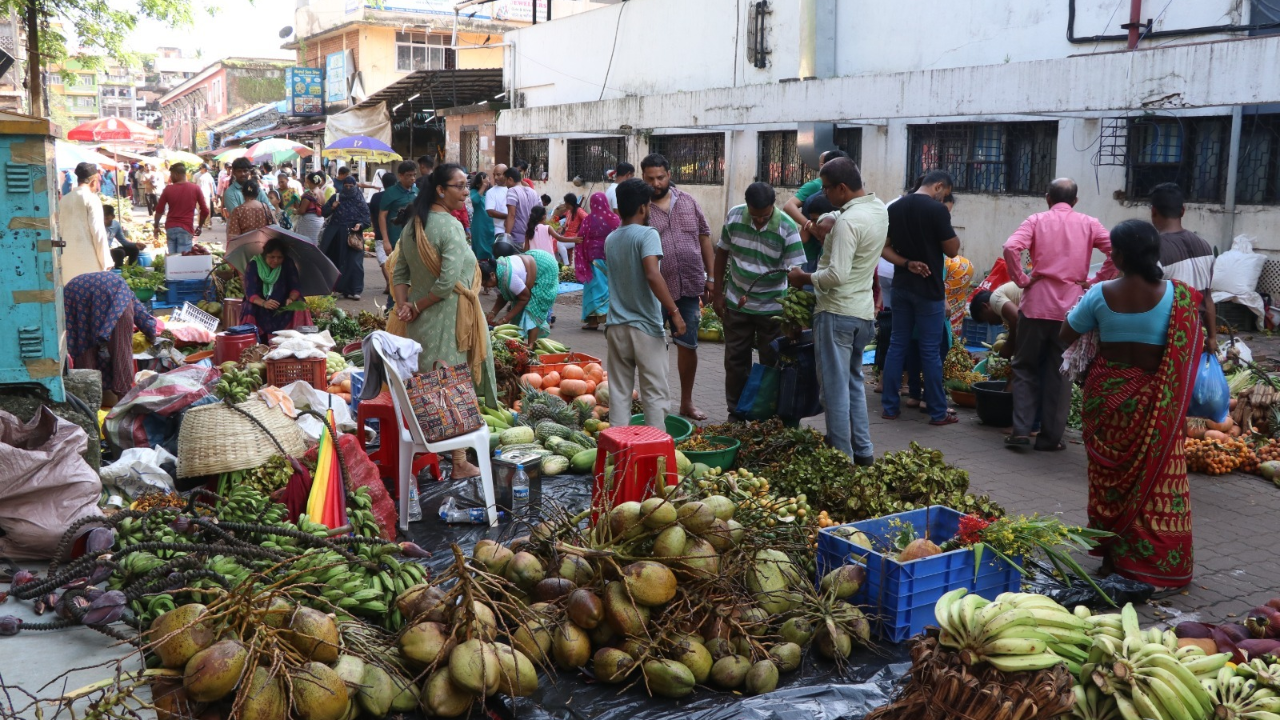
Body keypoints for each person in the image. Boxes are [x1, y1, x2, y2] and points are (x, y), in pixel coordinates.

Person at [1060, 219, 1199, 589]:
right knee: (1154, 482)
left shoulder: (1100, 293)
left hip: (1107, 400)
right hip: (1158, 403)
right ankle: (1152, 561)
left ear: (1117, 255)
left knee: (1108, 482)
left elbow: (1065, 335)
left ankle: (1110, 559)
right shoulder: (1180, 297)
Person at [393, 164, 497, 480]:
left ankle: (441, 453)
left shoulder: (413, 224)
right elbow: (445, 281)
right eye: (460, 186)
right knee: (448, 383)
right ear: (441, 189)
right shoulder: (449, 226)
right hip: (447, 318)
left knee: (431, 382)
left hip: (420, 322)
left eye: (467, 186)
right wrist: (416, 305)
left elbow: (399, 273)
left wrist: (404, 307)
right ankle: (459, 462)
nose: (466, 192)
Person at [783, 159, 887, 462]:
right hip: (863, 314)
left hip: (836, 312)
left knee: (834, 391)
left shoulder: (847, 223)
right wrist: (827, 215)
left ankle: (841, 457)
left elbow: (835, 276)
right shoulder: (877, 208)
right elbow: (838, 214)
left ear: (842, 188)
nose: (825, 194)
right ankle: (864, 452)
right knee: (854, 382)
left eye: (828, 189)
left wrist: (803, 278)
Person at [1003, 178, 1117, 451]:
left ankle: (1020, 431)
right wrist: (1097, 280)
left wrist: (1022, 279)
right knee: (1061, 371)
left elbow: (1010, 247)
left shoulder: (1036, 220)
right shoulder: (1089, 223)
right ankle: (1050, 438)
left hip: (1035, 306)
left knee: (1025, 367)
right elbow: (1115, 249)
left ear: (1047, 198)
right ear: (1075, 201)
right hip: (1070, 311)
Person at [712, 182, 807, 420]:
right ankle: (735, 411)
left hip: (773, 308)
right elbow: (722, 252)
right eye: (754, 216)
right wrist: (718, 294)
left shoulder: (786, 226)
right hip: (737, 303)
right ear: (747, 207)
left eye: (764, 217)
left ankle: (767, 413)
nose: (759, 222)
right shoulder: (734, 216)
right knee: (735, 361)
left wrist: (795, 316)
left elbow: (796, 272)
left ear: (773, 206)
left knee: (771, 361)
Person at [880, 170, 961, 426]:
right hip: (929, 290)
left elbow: (884, 248)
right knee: (929, 351)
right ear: (939, 186)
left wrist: (907, 263)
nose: (943, 198)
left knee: (897, 345)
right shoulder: (936, 211)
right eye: (944, 193)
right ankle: (938, 412)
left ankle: (890, 408)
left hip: (901, 286)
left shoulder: (896, 207)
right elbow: (952, 249)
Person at [605, 178, 685, 430]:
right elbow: (652, 274)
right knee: (655, 395)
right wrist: (674, 312)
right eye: (649, 206)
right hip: (645, 329)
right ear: (642, 207)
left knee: (618, 394)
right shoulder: (648, 234)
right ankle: (656, 458)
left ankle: (619, 456)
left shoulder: (612, 238)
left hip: (616, 326)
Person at [642, 153, 714, 421]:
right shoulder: (641, 209)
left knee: (688, 345)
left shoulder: (688, 202)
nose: (656, 183)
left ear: (669, 175)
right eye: (650, 178)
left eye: (660, 177)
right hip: (654, 291)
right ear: (643, 177)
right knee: (652, 347)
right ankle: (656, 404)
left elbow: (705, 238)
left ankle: (686, 402)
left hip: (689, 285)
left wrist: (712, 278)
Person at [64, 271, 157, 403]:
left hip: (74, 292)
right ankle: (123, 401)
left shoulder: (122, 289)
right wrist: (152, 335)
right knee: (121, 350)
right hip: (99, 294)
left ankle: (88, 398)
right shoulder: (124, 295)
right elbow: (143, 318)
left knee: (84, 345)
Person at [1150, 182, 1217, 351]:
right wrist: (1212, 337)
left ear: (1153, 211)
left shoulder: (1154, 250)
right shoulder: (1205, 246)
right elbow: (1208, 297)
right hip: (1196, 335)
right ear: (1182, 211)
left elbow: (1146, 301)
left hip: (1167, 337)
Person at [485, 237, 561, 345]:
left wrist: (506, 319)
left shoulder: (508, 277)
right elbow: (503, 296)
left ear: (492, 276)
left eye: (485, 283)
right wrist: (493, 312)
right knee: (517, 310)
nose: (485, 287)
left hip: (545, 267)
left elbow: (525, 298)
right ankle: (518, 344)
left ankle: (531, 346)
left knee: (532, 308)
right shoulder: (498, 272)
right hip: (533, 261)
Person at [782, 150, 849, 266]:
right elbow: (789, 206)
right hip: (814, 255)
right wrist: (808, 224)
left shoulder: (843, 194)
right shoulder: (815, 188)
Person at [239, 237, 304, 340]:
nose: (276, 261)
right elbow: (250, 292)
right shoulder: (254, 265)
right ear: (265, 255)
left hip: (282, 303)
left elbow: (295, 286)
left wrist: (291, 299)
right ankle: (252, 340)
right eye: (272, 257)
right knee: (249, 306)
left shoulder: (287, 263)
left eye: (280, 257)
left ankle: (296, 339)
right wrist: (264, 303)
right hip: (259, 303)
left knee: (300, 303)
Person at [58, 163, 111, 281]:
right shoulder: (92, 199)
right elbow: (98, 232)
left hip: (67, 261)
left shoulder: (64, 200)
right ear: (93, 181)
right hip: (89, 262)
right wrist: (106, 261)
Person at [322, 176, 371, 300]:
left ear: (355, 186)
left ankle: (355, 289)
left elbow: (366, 218)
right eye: (346, 186)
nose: (348, 189)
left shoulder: (360, 200)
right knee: (337, 261)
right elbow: (324, 212)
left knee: (355, 262)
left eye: (351, 186)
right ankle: (339, 288)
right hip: (336, 234)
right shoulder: (337, 197)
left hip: (353, 235)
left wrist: (360, 225)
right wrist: (332, 207)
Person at [573, 192, 617, 331]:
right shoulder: (614, 219)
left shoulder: (588, 220)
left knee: (593, 288)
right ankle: (611, 319)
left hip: (593, 258)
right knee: (610, 287)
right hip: (611, 257)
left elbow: (580, 238)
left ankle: (593, 321)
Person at [152, 163, 209, 254]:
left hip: (171, 228)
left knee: (173, 260)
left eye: (171, 175)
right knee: (183, 262)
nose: (170, 178)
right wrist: (200, 226)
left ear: (176, 174)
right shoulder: (195, 188)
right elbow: (205, 210)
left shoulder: (168, 189)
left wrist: (156, 226)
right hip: (186, 229)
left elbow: (159, 210)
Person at [379, 161, 419, 254]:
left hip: (414, 239)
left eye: (414, 175)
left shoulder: (416, 191)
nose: (412, 178)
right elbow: (382, 216)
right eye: (408, 175)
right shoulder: (390, 192)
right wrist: (385, 240)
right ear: (400, 176)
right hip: (396, 239)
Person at [503, 167, 540, 246]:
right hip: (533, 236)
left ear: (510, 179)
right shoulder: (534, 192)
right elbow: (541, 213)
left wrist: (506, 237)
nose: (505, 184)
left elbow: (511, 215)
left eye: (505, 180)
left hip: (518, 237)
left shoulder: (512, 191)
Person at [470, 172, 496, 264]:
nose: (487, 182)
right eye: (484, 180)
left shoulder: (492, 193)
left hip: (492, 225)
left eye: (488, 179)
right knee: (481, 247)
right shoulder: (474, 192)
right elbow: (475, 201)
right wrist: (483, 187)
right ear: (478, 183)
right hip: (480, 225)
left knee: (492, 247)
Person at [555, 192, 587, 265]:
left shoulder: (579, 210)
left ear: (569, 203)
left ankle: (566, 265)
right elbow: (566, 225)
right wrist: (562, 227)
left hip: (576, 237)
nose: (565, 204)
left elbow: (587, 220)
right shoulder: (569, 211)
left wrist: (581, 230)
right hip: (568, 236)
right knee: (553, 241)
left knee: (559, 243)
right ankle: (558, 263)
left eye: (565, 203)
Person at [485, 163, 510, 244]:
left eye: (498, 175)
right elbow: (490, 212)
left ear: (506, 175)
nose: (495, 177)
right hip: (500, 231)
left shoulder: (513, 189)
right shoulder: (491, 192)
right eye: (494, 175)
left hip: (517, 231)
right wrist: (509, 217)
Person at [196, 164, 216, 229]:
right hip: (198, 195)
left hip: (206, 194)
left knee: (207, 209)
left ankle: (207, 223)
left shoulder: (208, 176)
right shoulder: (196, 175)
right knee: (199, 209)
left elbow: (211, 185)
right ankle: (200, 224)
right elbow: (194, 185)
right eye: (205, 169)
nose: (206, 170)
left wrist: (213, 195)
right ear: (202, 168)